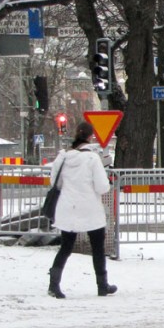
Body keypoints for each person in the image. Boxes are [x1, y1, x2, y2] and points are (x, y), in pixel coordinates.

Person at [47, 122, 117, 298]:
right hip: (90, 208)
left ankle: (54, 285)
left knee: (66, 246)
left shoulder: (62, 158)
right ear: (90, 137)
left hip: (68, 207)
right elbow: (102, 187)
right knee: (98, 248)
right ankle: (102, 285)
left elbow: (55, 182)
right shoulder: (92, 159)